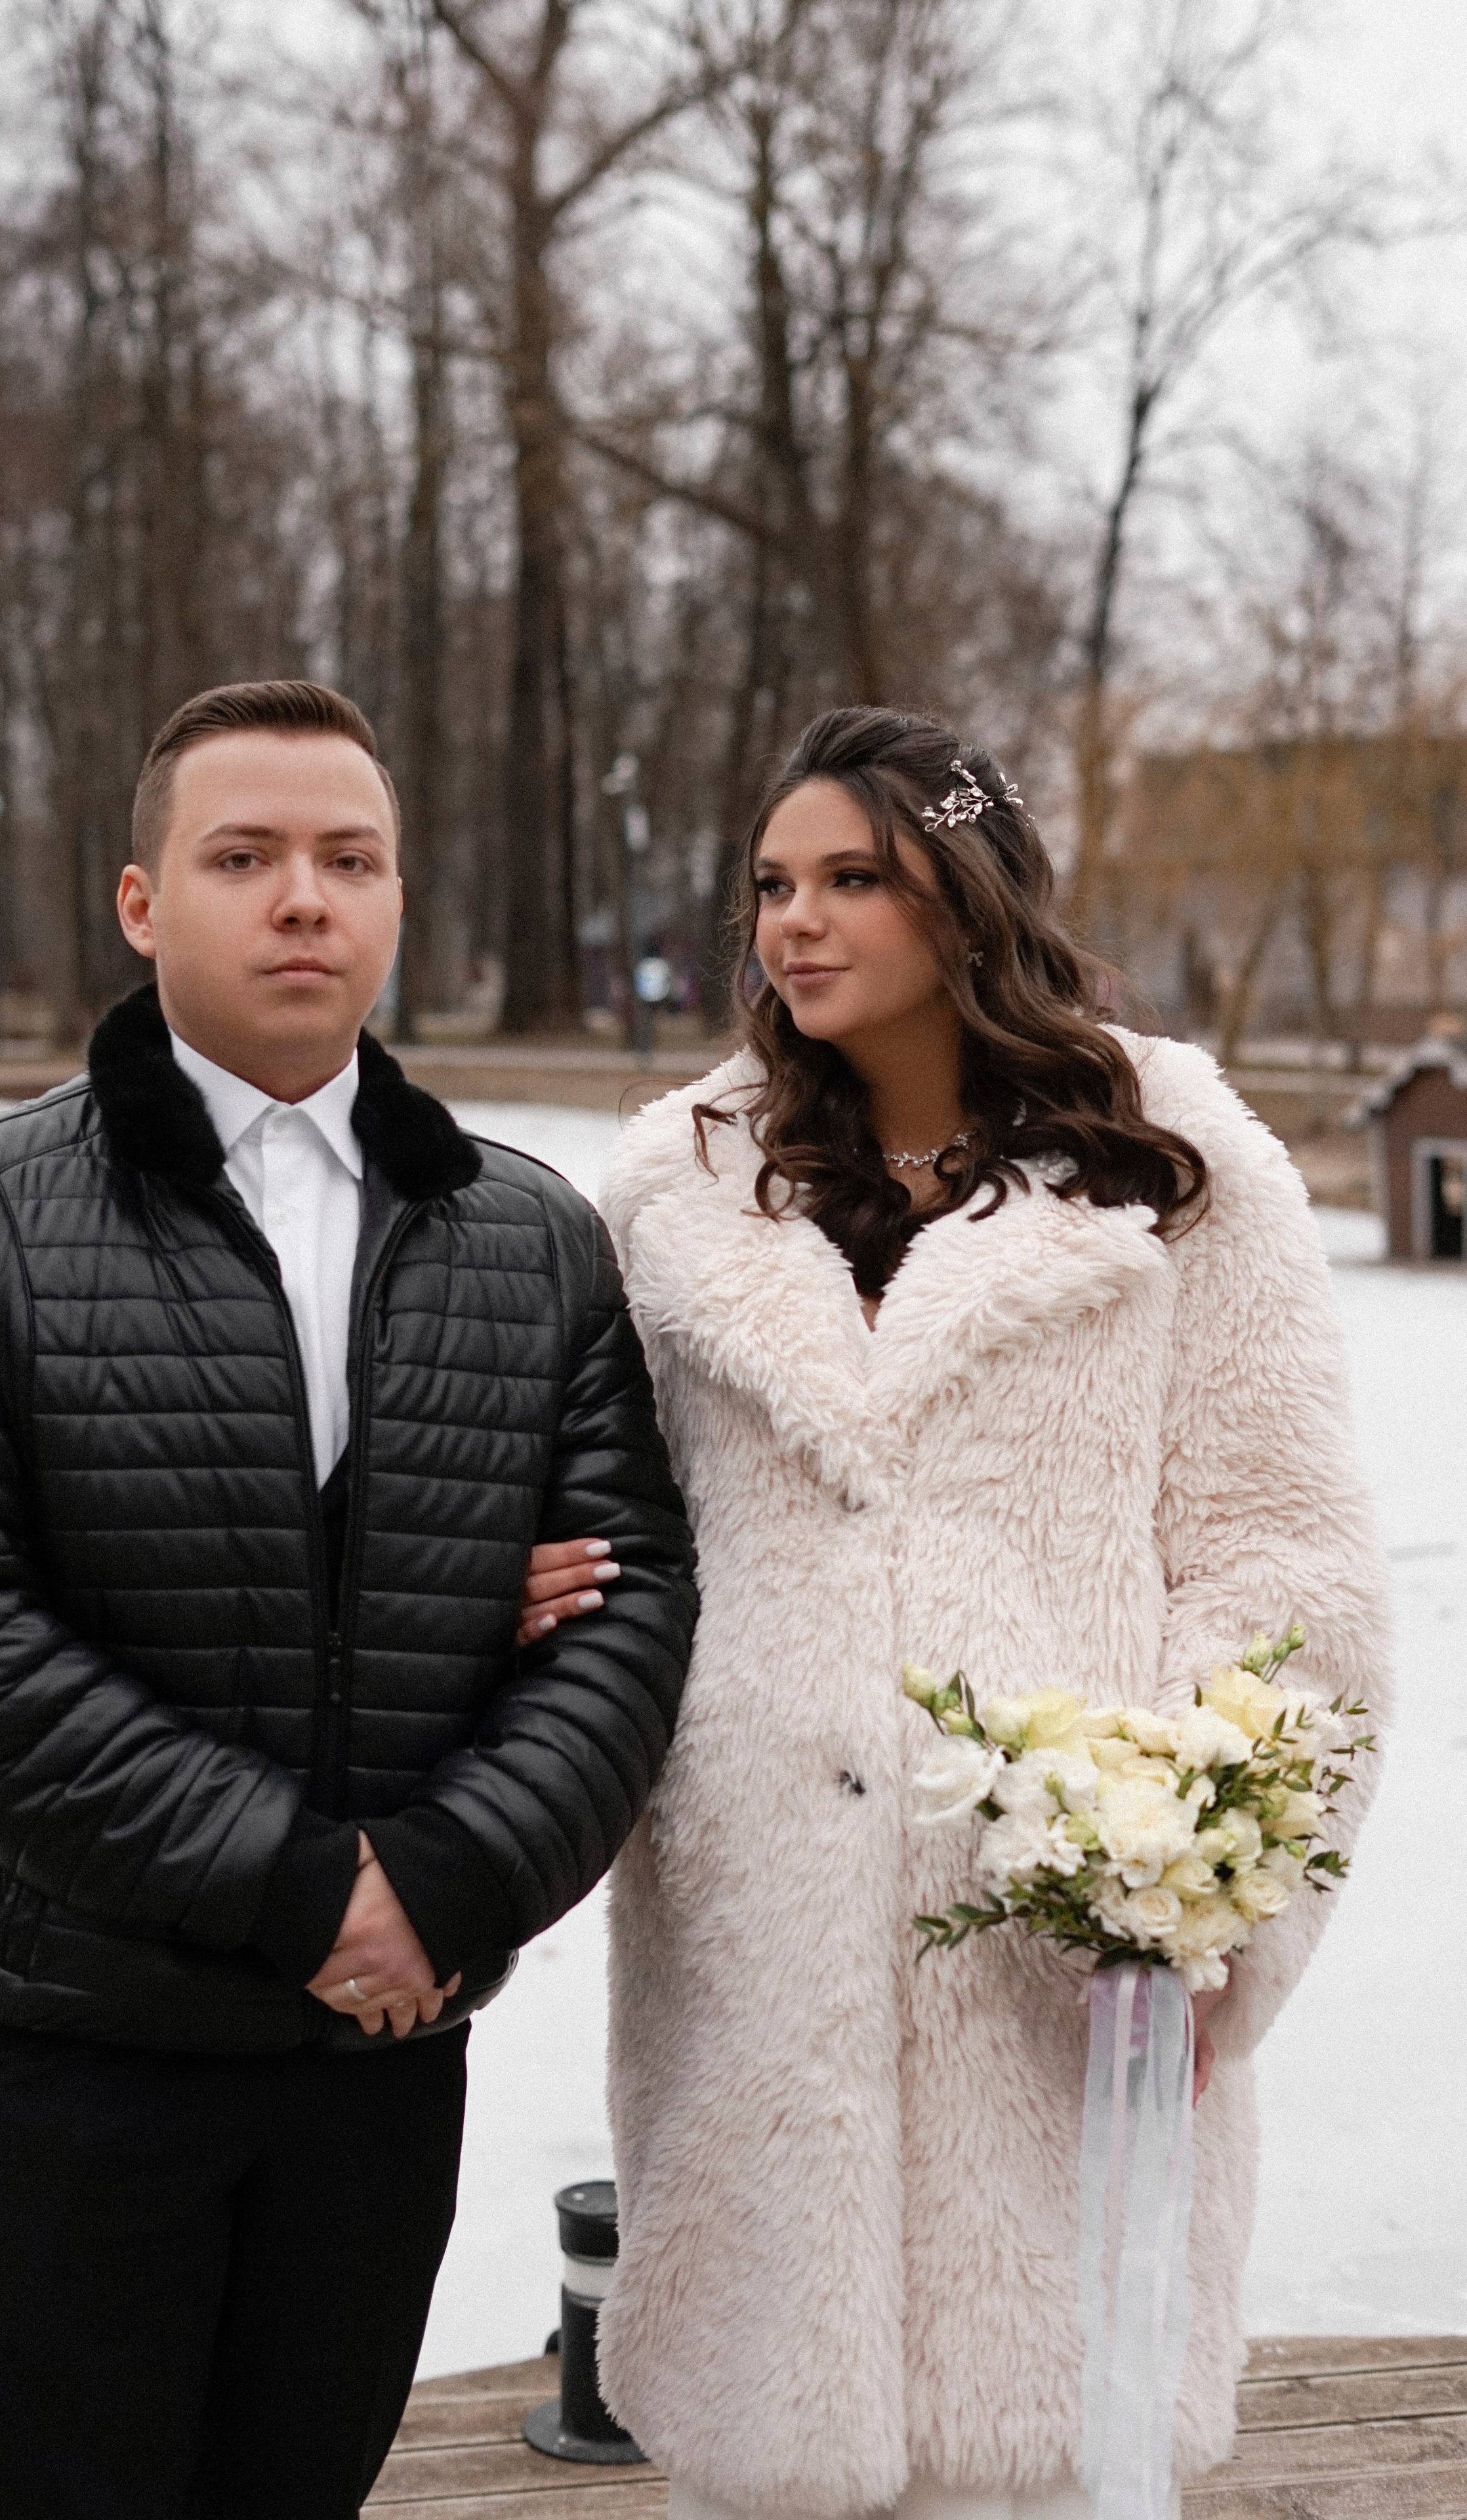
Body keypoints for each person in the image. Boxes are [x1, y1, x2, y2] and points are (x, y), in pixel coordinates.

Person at [0, 677, 697, 2520]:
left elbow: (630, 1604)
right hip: (74, 2059)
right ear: (144, 903)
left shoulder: (534, 1242)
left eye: (348, 858)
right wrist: (313, 1890)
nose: (303, 896)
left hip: (376, 2066)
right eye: (245, 856)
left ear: (396, 898)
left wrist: (443, 1890)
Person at [532, 706, 1390, 2520]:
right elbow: (604, 1511)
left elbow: (1282, 1559)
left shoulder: (1173, 1164)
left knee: (1041, 2452)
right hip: (757, 1947)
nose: (797, 923)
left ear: (968, 895)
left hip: (1062, 1949)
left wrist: (1220, 1877)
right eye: (772, 883)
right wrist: (538, 1590)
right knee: (769, 2445)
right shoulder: (675, 1190)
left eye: (855, 878)